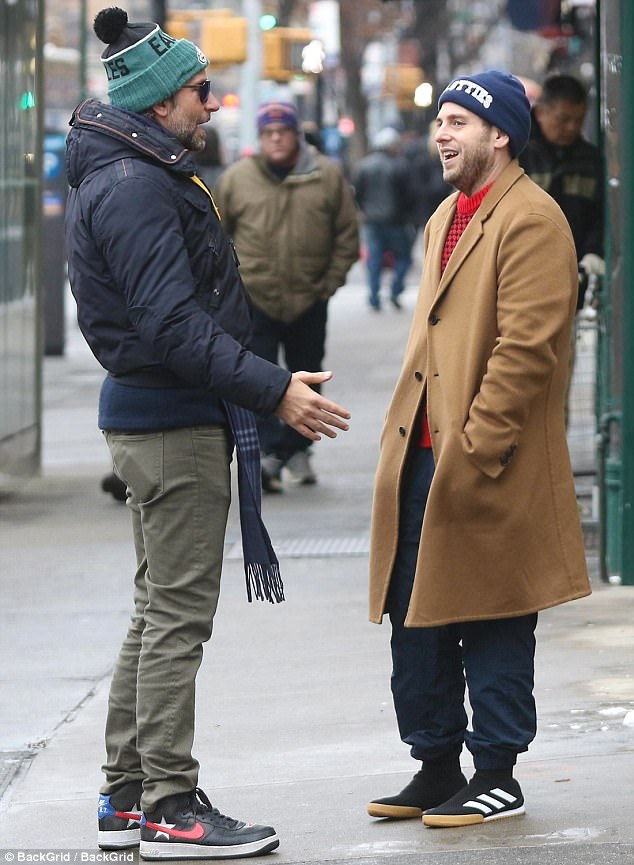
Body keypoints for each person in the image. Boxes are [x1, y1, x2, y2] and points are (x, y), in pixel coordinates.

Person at [64, 8, 350, 859]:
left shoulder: (129, 171)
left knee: (155, 612)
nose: (214, 102)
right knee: (178, 617)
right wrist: (276, 392)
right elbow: (173, 326)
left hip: (159, 419)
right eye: (200, 90)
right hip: (171, 425)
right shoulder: (137, 185)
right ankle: (171, 803)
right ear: (159, 103)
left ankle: (127, 794)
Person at [367, 71, 591, 829]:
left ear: (500, 133)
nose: (442, 134)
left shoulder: (533, 218)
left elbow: (526, 350)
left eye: (459, 120)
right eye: (440, 120)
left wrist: (477, 447)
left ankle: (496, 769)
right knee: (416, 613)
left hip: (487, 457)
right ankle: (435, 764)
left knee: (494, 611)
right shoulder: (443, 217)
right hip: (421, 455)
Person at [214, 102, 359, 493]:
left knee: (309, 372)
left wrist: (327, 283)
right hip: (255, 298)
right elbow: (216, 235)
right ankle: (263, 452)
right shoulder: (237, 179)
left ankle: (297, 451)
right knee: (257, 375)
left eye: (283, 131)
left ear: (297, 134)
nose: (276, 138)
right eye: (268, 133)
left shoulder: (326, 176)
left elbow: (347, 234)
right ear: (260, 139)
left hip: (309, 297)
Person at [519, 74, 604, 422]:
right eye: (563, 118)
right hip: (520, 284)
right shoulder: (518, 155)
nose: (571, 127)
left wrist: (595, 253)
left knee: (557, 385)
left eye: (578, 120)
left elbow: (602, 216)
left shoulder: (591, 161)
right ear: (541, 113)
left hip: (569, 288)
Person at [352, 127, 414, 312]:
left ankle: (374, 296)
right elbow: (408, 195)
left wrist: (364, 210)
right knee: (403, 257)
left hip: (373, 221)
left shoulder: (364, 166)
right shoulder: (400, 165)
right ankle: (395, 291)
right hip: (396, 221)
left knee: (375, 260)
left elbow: (358, 193)